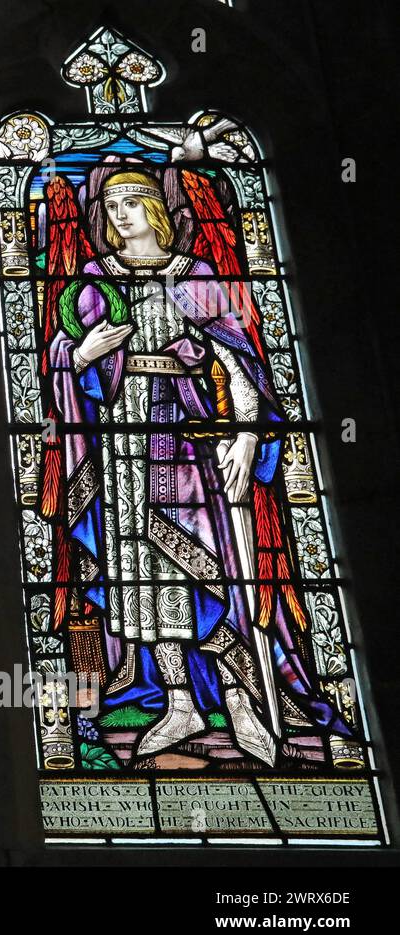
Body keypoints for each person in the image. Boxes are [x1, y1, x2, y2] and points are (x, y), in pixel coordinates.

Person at [47, 167, 352, 764]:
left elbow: (238, 363)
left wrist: (243, 434)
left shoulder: (199, 278)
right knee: (139, 580)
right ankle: (179, 702)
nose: (121, 217)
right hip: (120, 442)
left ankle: (241, 704)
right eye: (111, 208)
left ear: (157, 211)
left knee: (202, 570)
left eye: (132, 204)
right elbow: (65, 360)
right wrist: (82, 354)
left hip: (184, 436)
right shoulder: (92, 281)